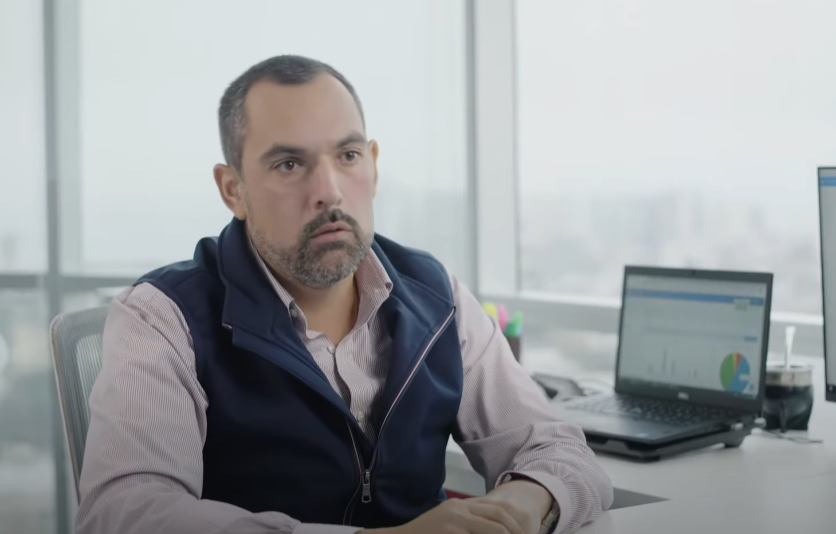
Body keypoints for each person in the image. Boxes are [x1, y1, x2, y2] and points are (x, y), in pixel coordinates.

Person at [76, 55, 612, 534]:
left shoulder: (436, 295)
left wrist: (523, 501)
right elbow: (126, 514)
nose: (329, 190)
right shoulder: (163, 317)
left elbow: (559, 448)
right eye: (290, 164)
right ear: (233, 189)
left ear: (373, 164)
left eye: (348, 155)